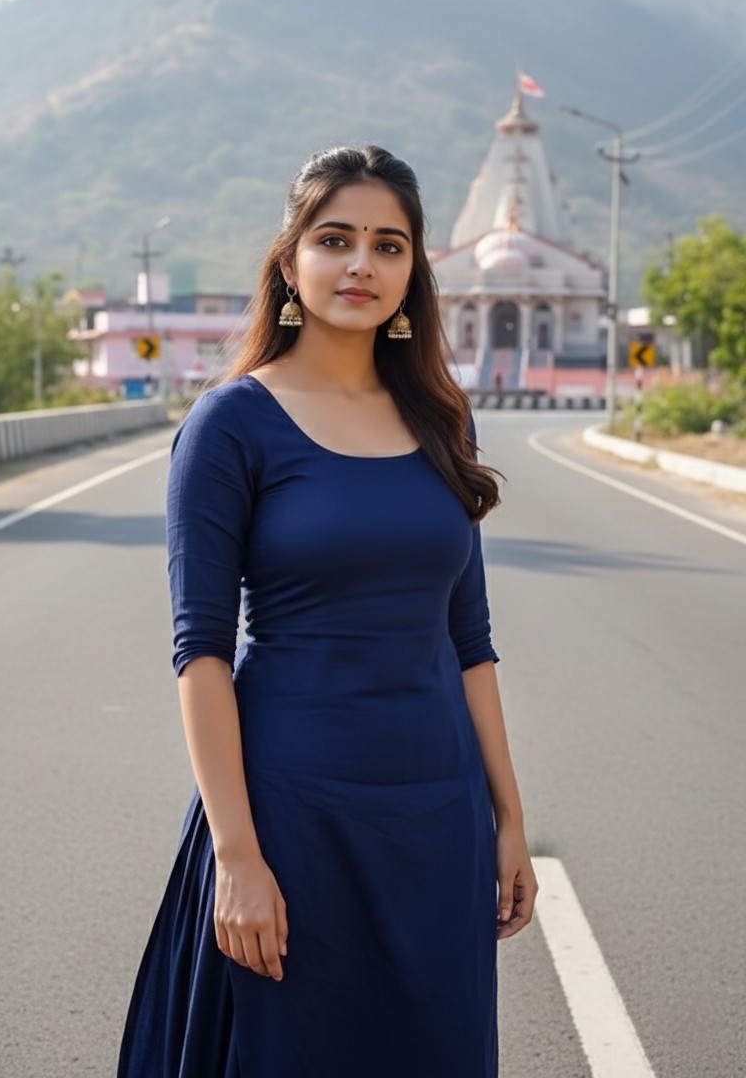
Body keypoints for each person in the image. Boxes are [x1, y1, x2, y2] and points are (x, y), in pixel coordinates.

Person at [118, 145, 537, 1077]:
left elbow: (469, 639)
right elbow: (201, 651)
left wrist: (508, 817)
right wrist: (237, 855)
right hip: (292, 813)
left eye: (389, 246)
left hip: (438, 816)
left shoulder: (442, 420)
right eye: (335, 239)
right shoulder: (231, 424)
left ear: (413, 272)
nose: (361, 265)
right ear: (291, 260)